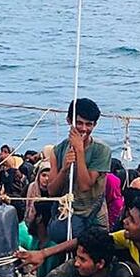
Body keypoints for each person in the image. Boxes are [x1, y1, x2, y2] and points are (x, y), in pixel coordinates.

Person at [20, 197, 140, 277]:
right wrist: (44, 253)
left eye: (132, 220)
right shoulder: (128, 238)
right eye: (127, 217)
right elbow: (87, 241)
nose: (124, 222)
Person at [47, 98, 113, 243]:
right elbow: (52, 191)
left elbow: (85, 185)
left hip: (93, 215)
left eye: (89, 124)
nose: (83, 129)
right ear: (69, 121)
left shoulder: (101, 151)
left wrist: (79, 151)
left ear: (95, 125)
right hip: (66, 213)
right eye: (79, 123)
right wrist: (64, 169)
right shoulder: (57, 151)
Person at [38, 228, 133, 277]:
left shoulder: (119, 270)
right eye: (77, 257)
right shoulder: (73, 266)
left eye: (83, 259)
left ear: (100, 264)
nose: (77, 263)